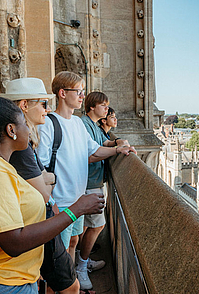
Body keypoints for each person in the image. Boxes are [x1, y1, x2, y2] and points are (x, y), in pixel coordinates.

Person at [0, 97, 105, 294]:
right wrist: (77, 210)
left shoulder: (0, 165)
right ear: (11, 130)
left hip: (15, 279)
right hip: (2, 283)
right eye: (23, 123)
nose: (28, 129)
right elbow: (13, 242)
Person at [37, 71, 136, 291]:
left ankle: (73, 286)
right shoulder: (49, 124)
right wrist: (50, 202)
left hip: (78, 200)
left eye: (82, 91)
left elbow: (95, 150)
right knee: (57, 262)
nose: (82, 96)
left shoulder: (78, 124)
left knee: (73, 244)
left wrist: (119, 149)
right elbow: (40, 167)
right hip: (60, 203)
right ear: (63, 93)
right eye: (78, 91)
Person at [1, 77, 80, 294]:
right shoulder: (20, 146)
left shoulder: (22, 141)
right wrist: (49, 180)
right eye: (43, 104)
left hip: (33, 223)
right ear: (24, 105)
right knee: (70, 287)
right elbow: (44, 192)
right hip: (37, 223)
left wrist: (47, 179)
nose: (47, 110)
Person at [78, 93, 130, 289]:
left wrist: (118, 142)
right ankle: (81, 267)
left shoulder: (94, 125)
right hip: (89, 182)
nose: (107, 109)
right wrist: (118, 150)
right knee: (97, 225)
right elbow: (90, 154)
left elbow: (104, 143)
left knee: (85, 226)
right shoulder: (84, 124)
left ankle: (82, 261)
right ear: (92, 107)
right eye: (103, 105)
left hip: (93, 181)